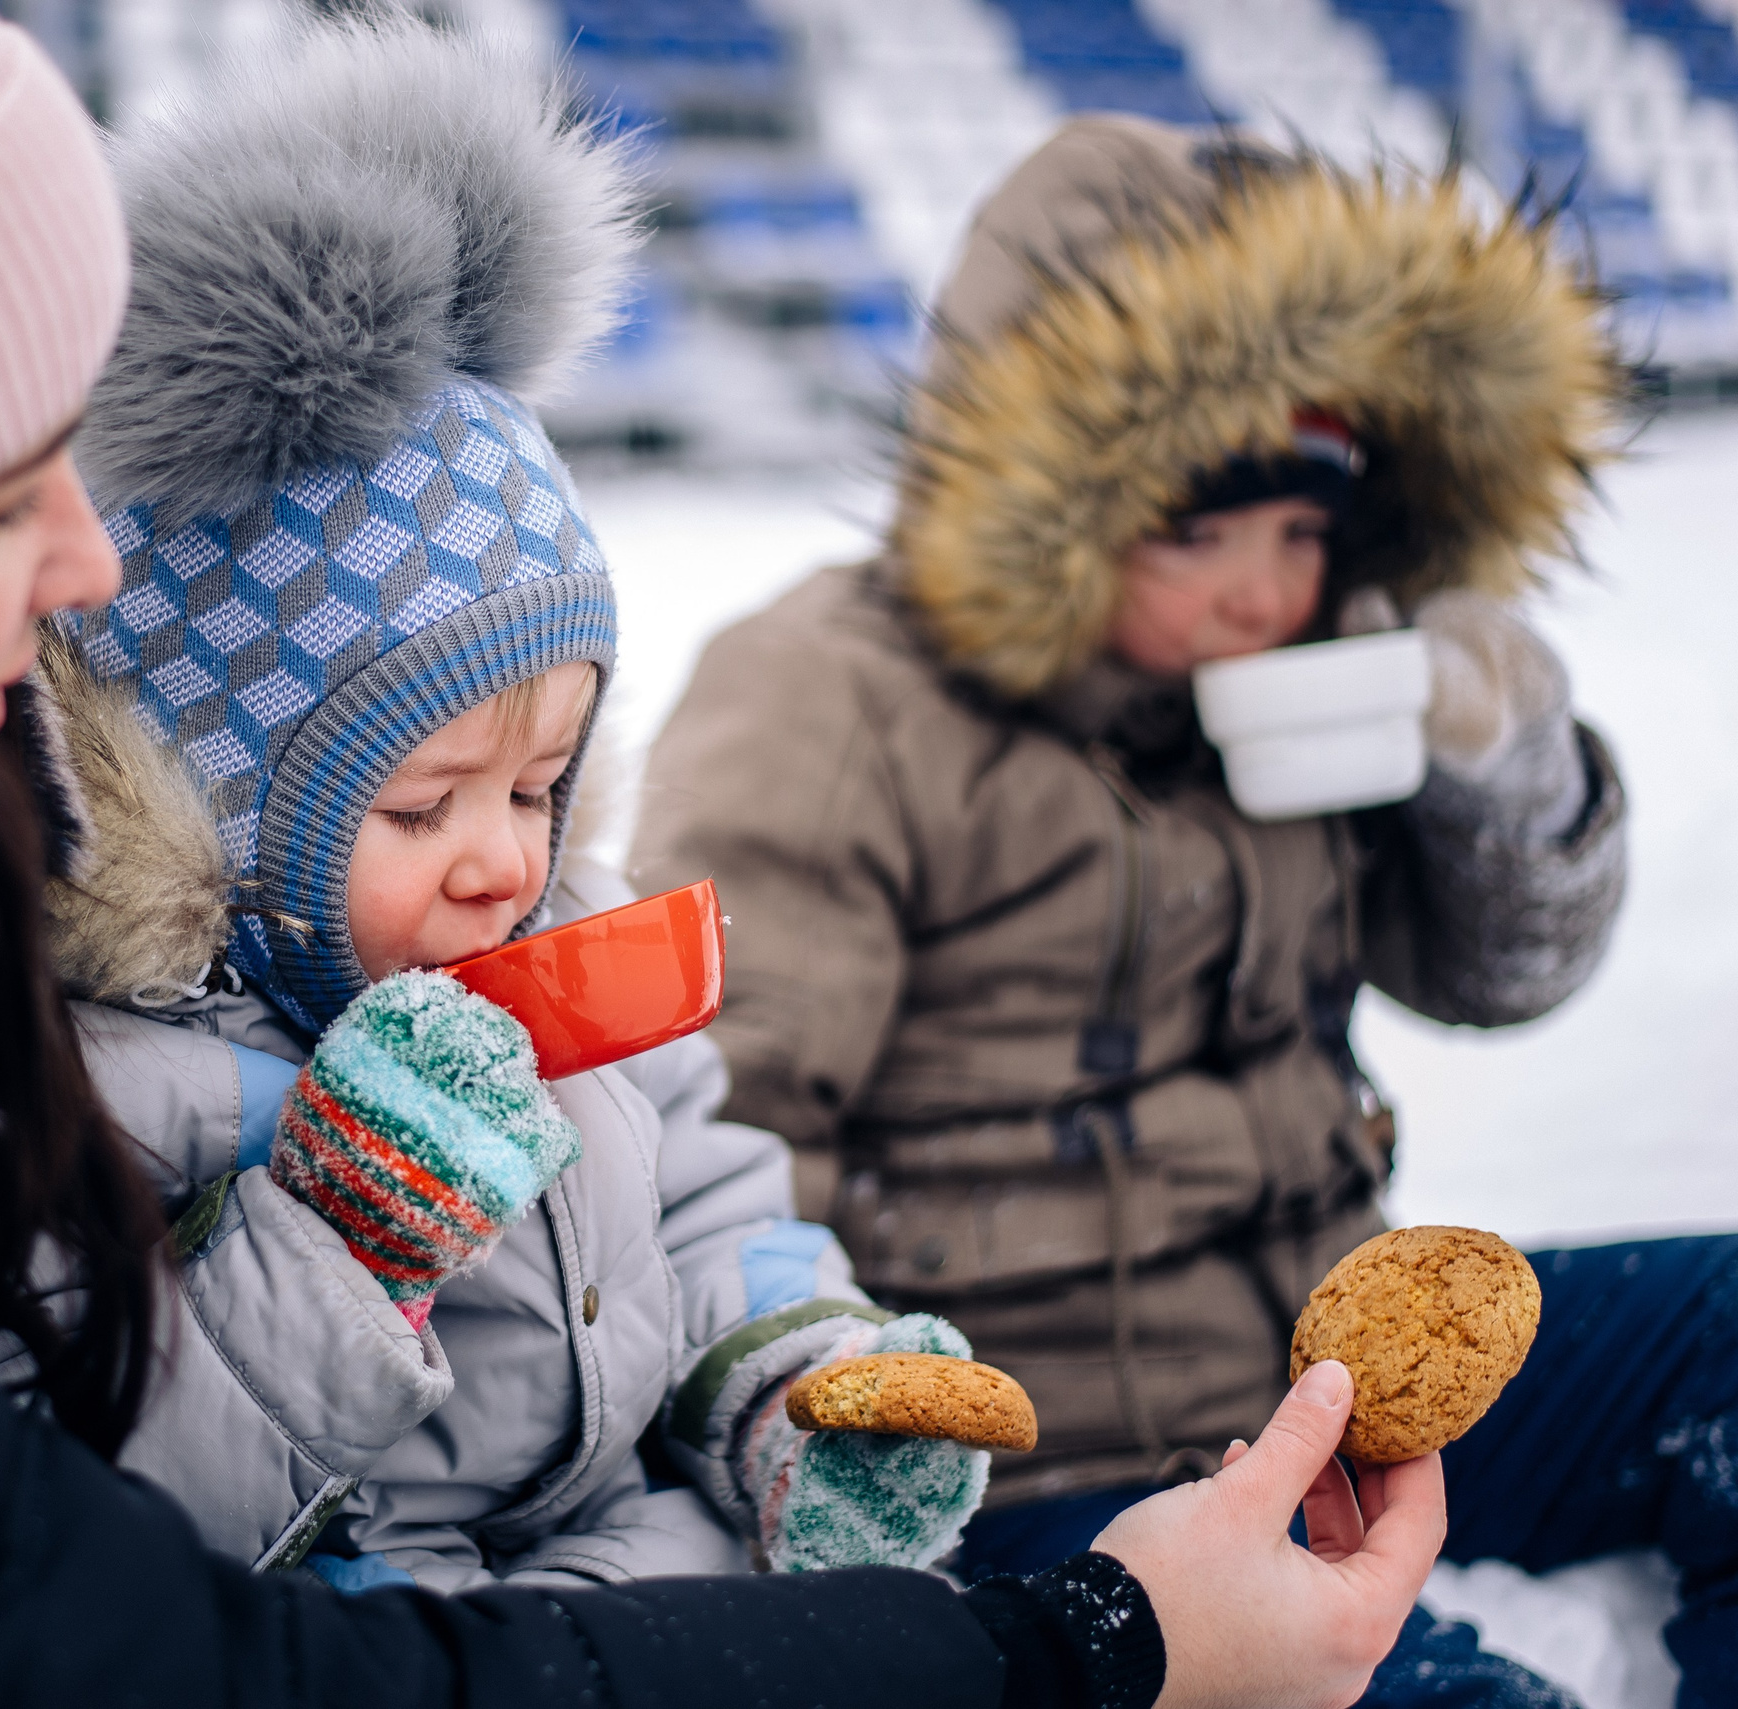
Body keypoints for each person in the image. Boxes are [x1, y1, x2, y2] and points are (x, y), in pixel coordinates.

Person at [0, 11, 1438, 1705]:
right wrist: (1082, 1651)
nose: (85, 575)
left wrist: (789, 1395)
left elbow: (716, 1201)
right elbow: (121, 1634)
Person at [632, 113, 1737, 1703]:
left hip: (1328, 1389)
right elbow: (710, 1123)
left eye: (1302, 534)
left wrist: (1505, 767)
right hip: (1053, 1468)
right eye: (1199, 528)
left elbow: (1501, 975)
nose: (1257, 591)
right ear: (1053, 492)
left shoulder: (1309, 680)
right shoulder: (830, 701)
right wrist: (829, 1424)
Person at [34, 23, 989, 1592]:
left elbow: (703, 1190)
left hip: (635, 1563)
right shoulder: (109, 1077)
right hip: (370, 1628)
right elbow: (106, 1482)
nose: (507, 859)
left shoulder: (558, 942)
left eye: (540, 786)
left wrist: (797, 1383)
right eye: (422, 808)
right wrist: (342, 1241)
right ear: (218, 811)